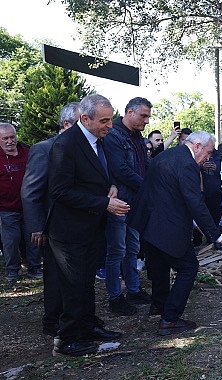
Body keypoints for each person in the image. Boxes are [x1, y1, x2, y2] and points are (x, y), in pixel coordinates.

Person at [47, 94, 128, 356]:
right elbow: (60, 191)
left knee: (86, 281)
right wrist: (103, 203)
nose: (110, 126)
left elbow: (97, 175)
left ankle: (88, 325)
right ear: (85, 119)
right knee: (74, 284)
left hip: (91, 227)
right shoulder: (66, 144)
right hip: (69, 231)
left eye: (111, 119)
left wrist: (111, 187)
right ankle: (67, 339)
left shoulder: (98, 140)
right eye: (104, 121)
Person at [128, 131, 222, 335]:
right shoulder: (187, 164)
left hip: (149, 223)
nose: (209, 157)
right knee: (188, 268)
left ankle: (159, 305)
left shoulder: (167, 155)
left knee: (159, 265)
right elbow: (195, 203)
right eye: (208, 152)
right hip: (167, 224)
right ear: (197, 146)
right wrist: (218, 235)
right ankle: (170, 319)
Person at [21, 102, 78, 336]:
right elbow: (30, 192)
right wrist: (37, 227)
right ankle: (52, 320)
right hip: (51, 226)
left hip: (77, 225)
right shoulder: (44, 149)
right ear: (66, 124)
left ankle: (73, 316)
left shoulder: (84, 148)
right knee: (55, 275)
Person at [103, 97, 153, 316]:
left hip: (135, 201)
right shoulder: (113, 134)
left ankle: (133, 289)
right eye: (144, 115)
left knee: (132, 248)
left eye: (148, 116)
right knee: (116, 250)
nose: (147, 121)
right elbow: (120, 169)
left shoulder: (137, 137)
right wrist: (147, 186)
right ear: (130, 112)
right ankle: (115, 296)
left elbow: (145, 165)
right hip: (119, 200)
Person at [0, 122, 38, 281]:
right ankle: (12, 270)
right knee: (11, 241)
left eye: (12, 137)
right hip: (7, 208)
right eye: (5, 138)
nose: (10, 141)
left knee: (33, 239)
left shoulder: (28, 153)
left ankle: (35, 267)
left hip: (30, 207)